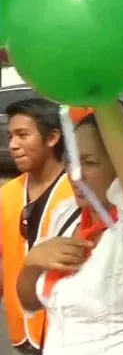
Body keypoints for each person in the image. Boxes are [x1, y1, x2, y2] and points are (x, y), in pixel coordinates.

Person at [17, 102, 123, 354]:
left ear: (120, 167)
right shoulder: (66, 213)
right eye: (71, 161)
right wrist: (32, 264)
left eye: (90, 162)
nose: (76, 175)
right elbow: (30, 302)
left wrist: (103, 93)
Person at [1, 99, 73, 355]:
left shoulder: (80, 193)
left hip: (71, 334)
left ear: (52, 137)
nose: (12, 145)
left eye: (22, 135)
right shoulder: (6, 196)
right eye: (10, 136)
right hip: (24, 333)